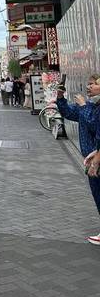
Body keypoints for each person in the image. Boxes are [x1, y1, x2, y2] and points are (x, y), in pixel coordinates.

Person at [57, 75, 100, 245]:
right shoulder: (90, 105)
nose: (89, 87)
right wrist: (60, 98)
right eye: (88, 83)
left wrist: (83, 106)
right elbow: (68, 112)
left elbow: (93, 125)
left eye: (94, 84)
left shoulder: (91, 107)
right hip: (91, 158)